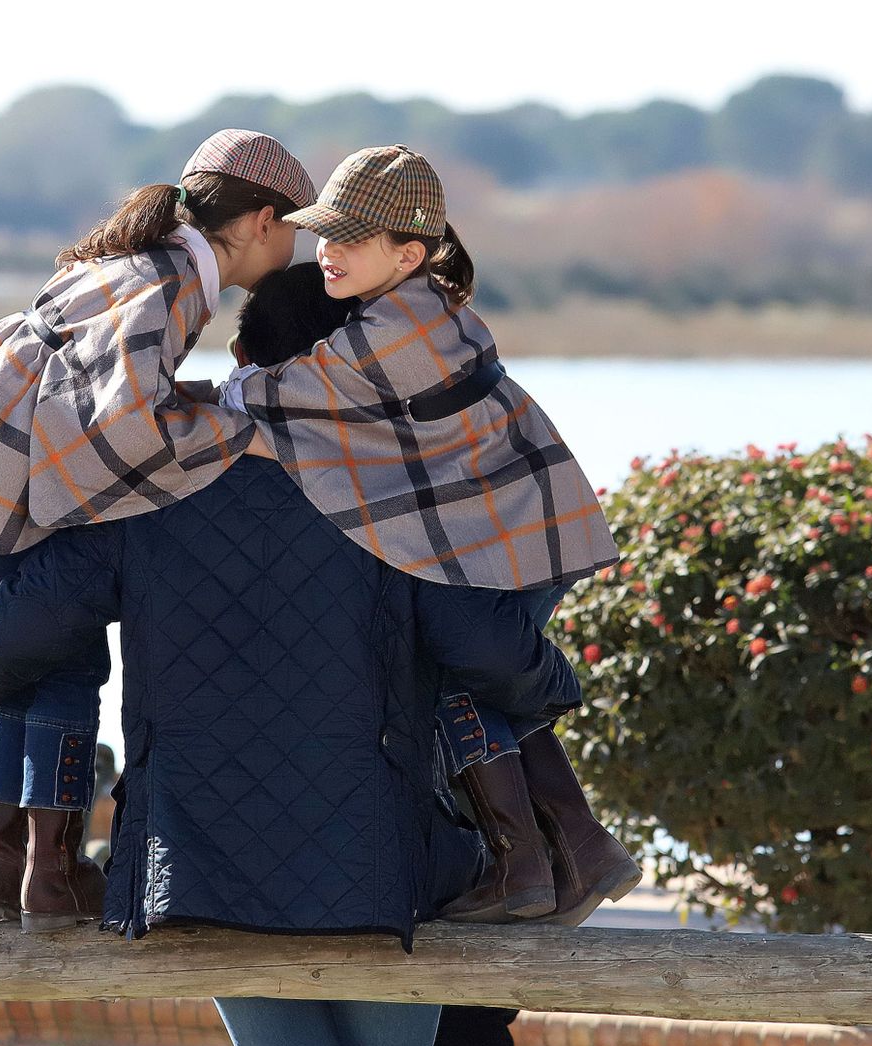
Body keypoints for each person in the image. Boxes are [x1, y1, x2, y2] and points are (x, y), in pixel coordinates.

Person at [0, 452, 584, 1046]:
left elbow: (21, 633)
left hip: (195, 859)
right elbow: (488, 646)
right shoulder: (386, 493)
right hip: (376, 861)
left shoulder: (150, 493)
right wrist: (560, 689)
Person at [0, 129, 314, 932]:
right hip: (10, 467)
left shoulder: (156, 264)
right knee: (69, 661)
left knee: (42, 659)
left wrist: (192, 401)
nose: (296, 249)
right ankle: (49, 874)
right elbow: (123, 428)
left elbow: (109, 386)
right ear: (261, 220)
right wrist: (235, 428)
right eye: (294, 230)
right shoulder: (177, 282)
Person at [227, 145, 640, 931]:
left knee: (458, 666)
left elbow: (271, 392)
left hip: (509, 534)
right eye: (325, 235)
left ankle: (534, 856)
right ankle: (565, 851)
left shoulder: (391, 331)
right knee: (463, 674)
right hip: (513, 527)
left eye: (350, 239)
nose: (328, 253)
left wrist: (221, 388)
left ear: (408, 253)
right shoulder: (418, 304)